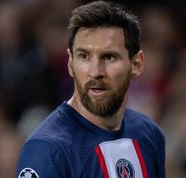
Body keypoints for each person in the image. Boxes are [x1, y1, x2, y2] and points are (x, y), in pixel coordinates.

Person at [17, 1, 165, 178]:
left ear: (136, 64)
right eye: (84, 56)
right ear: (71, 64)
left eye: (109, 57)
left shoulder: (149, 134)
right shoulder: (47, 150)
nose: (95, 72)